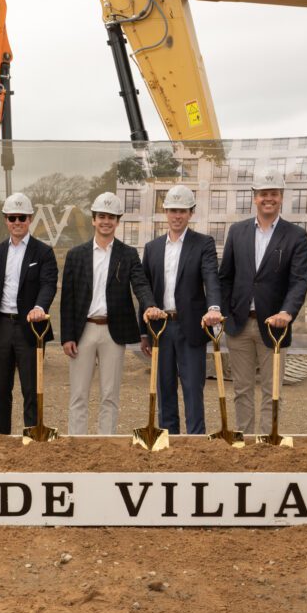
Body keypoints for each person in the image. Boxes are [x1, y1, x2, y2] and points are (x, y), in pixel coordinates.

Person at [61, 192, 164, 435]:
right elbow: (68, 299)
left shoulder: (127, 254)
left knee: (110, 394)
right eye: (102, 216)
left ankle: (105, 444)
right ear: (94, 220)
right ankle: (77, 445)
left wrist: (149, 305)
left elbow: (140, 283)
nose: (106, 221)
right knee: (78, 394)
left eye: (111, 217)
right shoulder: (76, 255)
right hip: (82, 330)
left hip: (113, 332)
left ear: (118, 221)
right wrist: (67, 336)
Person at [218, 171, 307, 435]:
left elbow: (299, 279)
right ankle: (244, 439)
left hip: (274, 327)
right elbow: (225, 276)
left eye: (273, 194)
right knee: (242, 389)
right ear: (255, 198)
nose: (268, 199)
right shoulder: (237, 231)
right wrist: (225, 312)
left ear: (281, 198)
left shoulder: (295, 235)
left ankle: (268, 442)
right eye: (263, 195)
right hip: (239, 325)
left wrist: (286, 312)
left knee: (272, 391)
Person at [139, 185, 222, 435]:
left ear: (191, 213)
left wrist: (214, 308)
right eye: (173, 210)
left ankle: (195, 443)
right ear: (165, 211)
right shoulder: (152, 248)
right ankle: (169, 440)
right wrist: (144, 331)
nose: (177, 216)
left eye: (182, 211)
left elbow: (211, 277)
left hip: (191, 328)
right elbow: (145, 290)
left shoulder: (203, 244)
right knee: (164, 388)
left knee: (192, 388)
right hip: (161, 328)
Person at [0, 192, 58, 434]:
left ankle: (32, 440)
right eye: (12, 217)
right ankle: (1, 440)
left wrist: (39, 307)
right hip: (2, 327)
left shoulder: (43, 252)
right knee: (1, 391)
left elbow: (48, 284)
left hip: (30, 329)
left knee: (31, 389)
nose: (17, 222)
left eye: (22, 217)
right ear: (6, 219)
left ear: (30, 219)